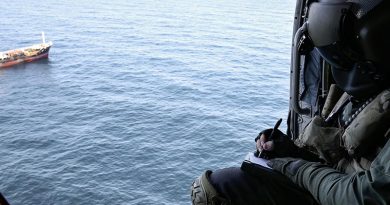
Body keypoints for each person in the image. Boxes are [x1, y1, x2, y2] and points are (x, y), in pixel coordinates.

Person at [190, 0, 390, 204]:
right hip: (333, 185)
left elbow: (368, 196)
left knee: (215, 190)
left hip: (343, 194)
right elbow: (346, 160)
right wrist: (290, 151)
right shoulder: (366, 92)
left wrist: (297, 168)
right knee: (212, 186)